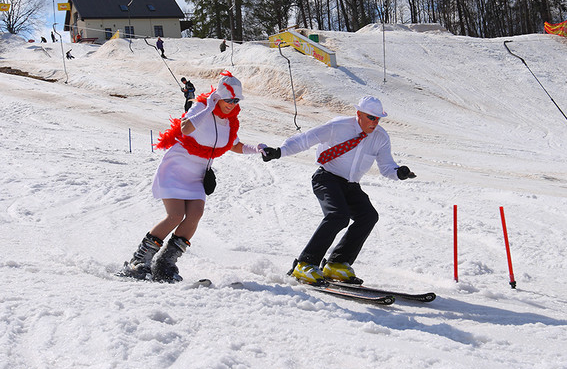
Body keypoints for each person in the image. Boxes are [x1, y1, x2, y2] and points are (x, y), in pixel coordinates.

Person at [118, 70, 266, 283]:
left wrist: (258, 149)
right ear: (218, 96)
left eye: (236, 100)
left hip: (197, 175)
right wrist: (209, 107)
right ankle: (139, 261)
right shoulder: (201, 107)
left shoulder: (230, 121)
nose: (232, 104)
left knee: (195, 214)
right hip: (176, 168)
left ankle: (165, 264)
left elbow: (234, 144)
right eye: (228, 99)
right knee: (175, 215)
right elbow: (185, 128)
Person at [261, 96, 416, 285]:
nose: (374, 123)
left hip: (351, 185)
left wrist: (398, 173)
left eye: (378, 119)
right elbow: (305, 140)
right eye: (371, 117)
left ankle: (337, 263)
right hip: (326, 177)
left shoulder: (380, 137)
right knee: (338, 216)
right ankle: (305, 264)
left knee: (368, 216)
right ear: (358, 114)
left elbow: (387, 166)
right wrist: (279, 151)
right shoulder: (338, 126)